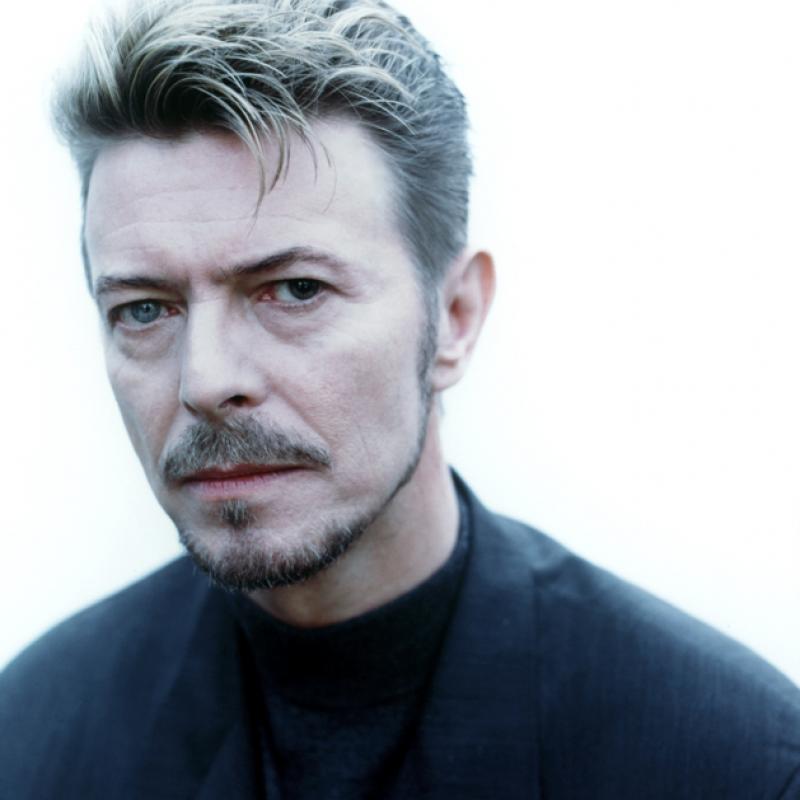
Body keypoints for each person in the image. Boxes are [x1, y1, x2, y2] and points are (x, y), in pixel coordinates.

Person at [1, 0, 798, 797]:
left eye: (296, 289)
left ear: (455, 317)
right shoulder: (32, 737)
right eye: (145, 309)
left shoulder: (729, 762)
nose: (204, 381)